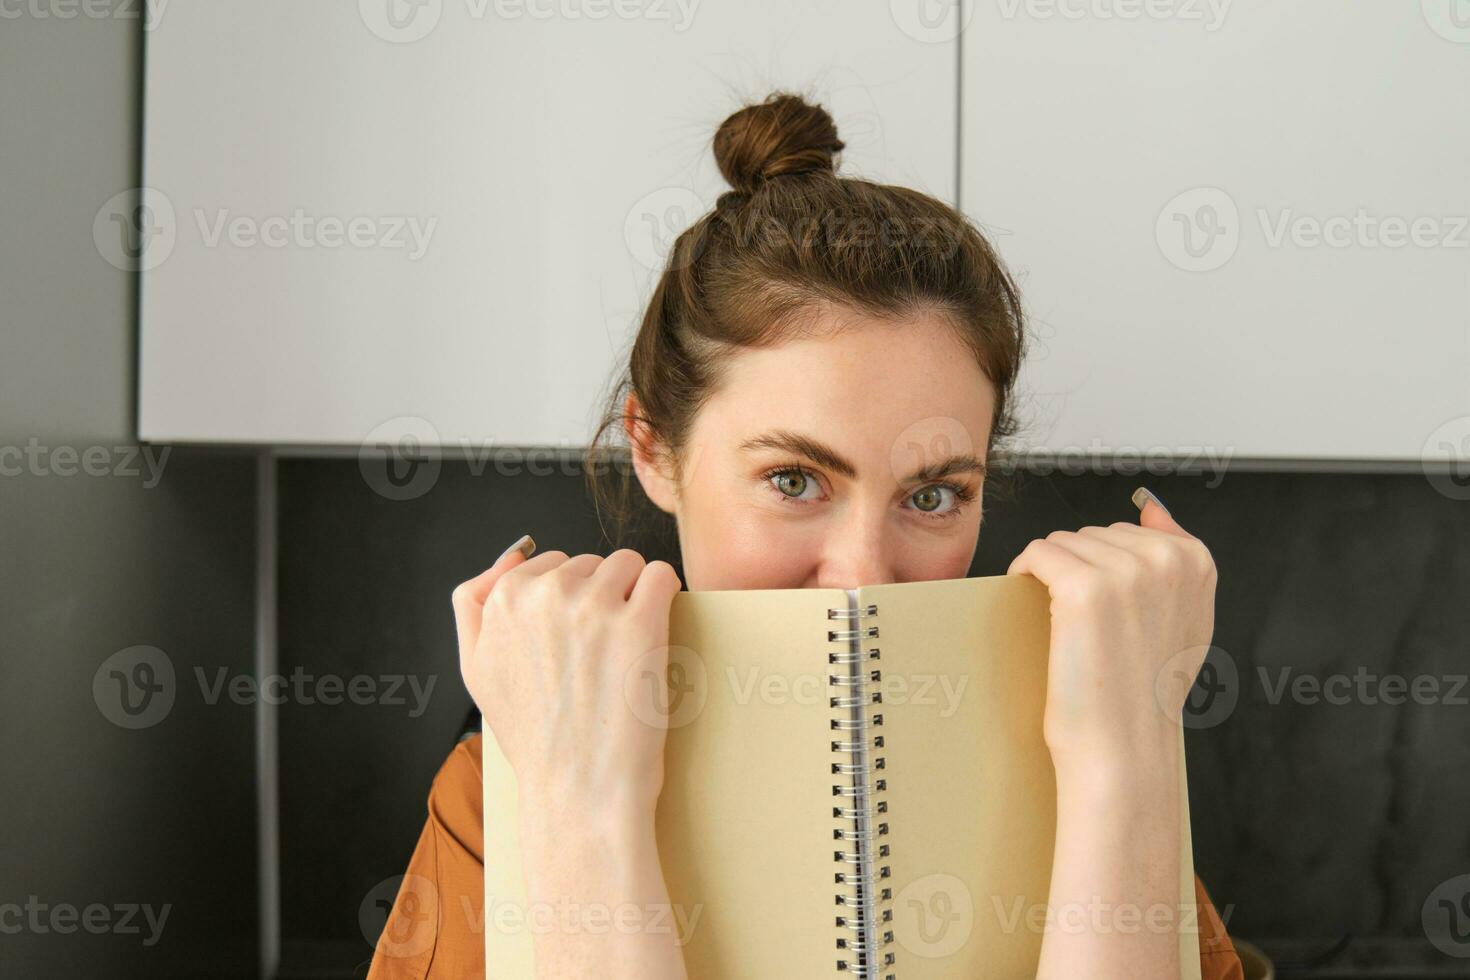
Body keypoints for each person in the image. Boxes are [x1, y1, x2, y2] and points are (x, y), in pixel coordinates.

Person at [368, 91, 1244, 979]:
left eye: (934, 495)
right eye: (793, 480)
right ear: (656, 449)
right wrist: (580, 807)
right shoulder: (502, 789)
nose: (861, 575)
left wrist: (1125, 764)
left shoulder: (1094, 739)